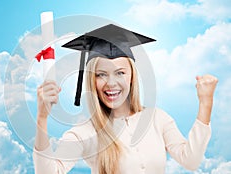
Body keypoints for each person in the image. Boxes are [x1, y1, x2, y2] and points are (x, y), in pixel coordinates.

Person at [33, 24, 218, 174]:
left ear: (131, 76)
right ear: (91, 80)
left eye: (120, 73)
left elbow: (191, 160)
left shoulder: (157, 119)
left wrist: (205, 103)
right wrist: (42, 118)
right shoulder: (85, 132)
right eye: (101, 75)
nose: (111, 83)